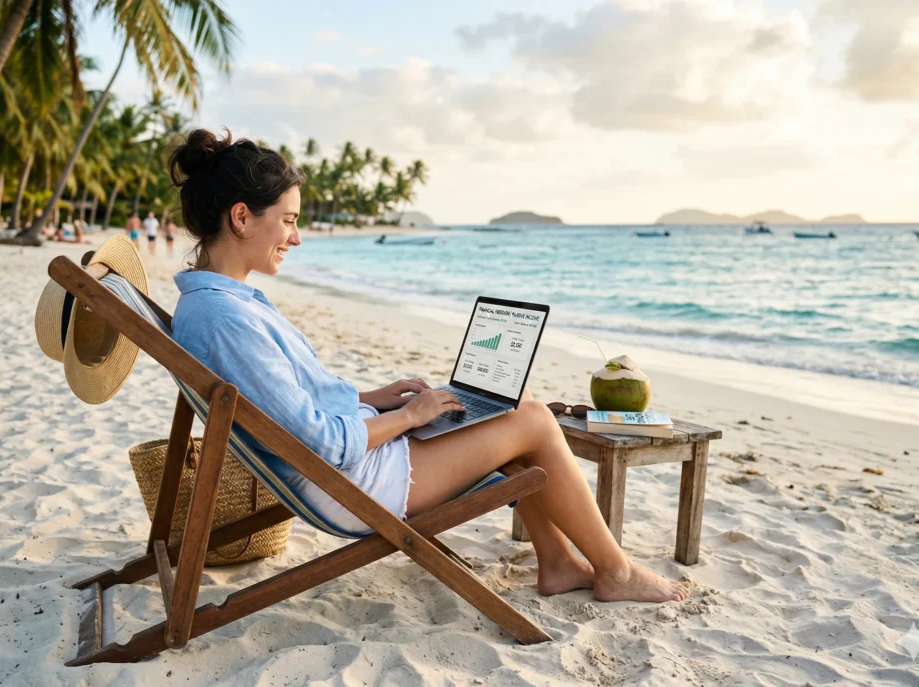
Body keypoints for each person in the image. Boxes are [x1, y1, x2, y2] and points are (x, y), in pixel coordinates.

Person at [167, 129, 689, 604]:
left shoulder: (223, 304)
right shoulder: (225, 319)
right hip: (353, 482)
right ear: (241, 217)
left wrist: (373, 398)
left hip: (354, 461)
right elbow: (319, 444)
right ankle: (615, 571)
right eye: (288, 221)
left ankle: (558, 563)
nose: (296, 237)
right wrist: (409, 417)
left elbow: (292, 403)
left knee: (505, 405)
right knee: (531, 420)